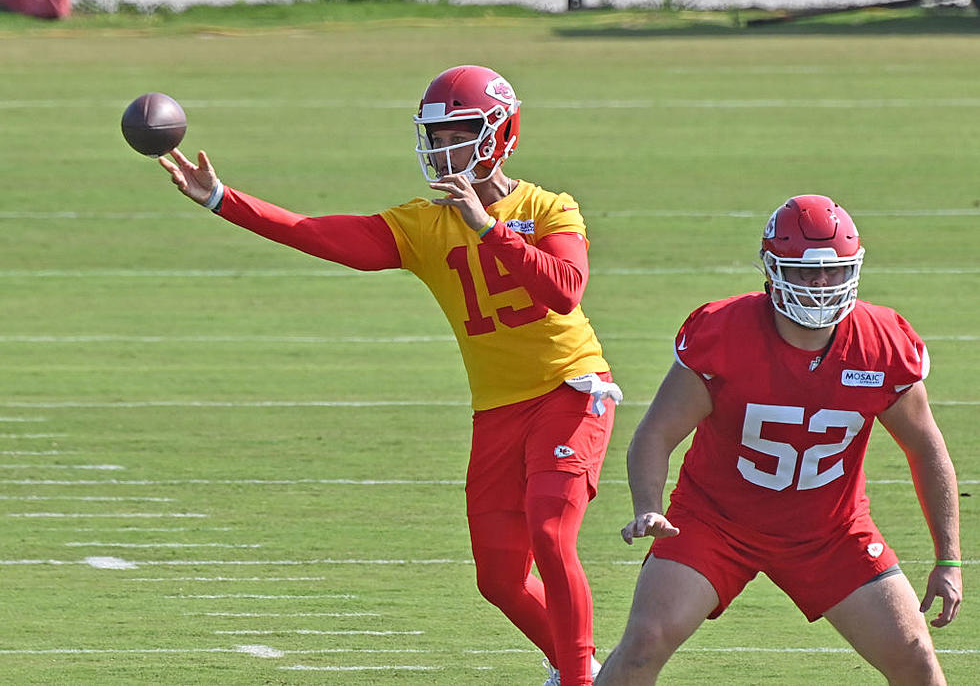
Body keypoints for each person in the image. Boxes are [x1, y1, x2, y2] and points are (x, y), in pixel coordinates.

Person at [157, 65, 618, 686]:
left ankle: (581, 680)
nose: (443, 148)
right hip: (499, 407)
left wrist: (490, 228)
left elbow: (565, 291)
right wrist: (222, 200)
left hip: (572, 388)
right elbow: (316, 234)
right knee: (499, 577)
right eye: (436, 135)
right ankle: (585, 664)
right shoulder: (424, 225)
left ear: (500, 132)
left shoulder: (549, 206)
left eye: (459, 132)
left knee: (550, 530)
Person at [595, 195, 962, 685]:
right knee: (643, 645)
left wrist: (949, 559)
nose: (820, 285)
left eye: (834, 272)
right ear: (771, 270)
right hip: (715, 524)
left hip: (830, 532)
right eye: (805, 272)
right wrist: (648, 505)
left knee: (915, 655)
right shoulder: (724, 332)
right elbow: (657, 433)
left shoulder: (881, 343)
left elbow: (926, 449)